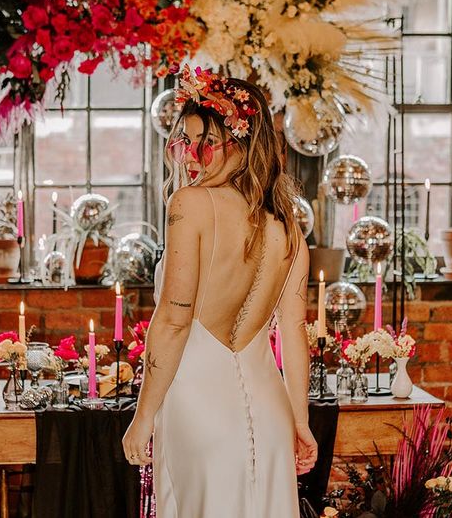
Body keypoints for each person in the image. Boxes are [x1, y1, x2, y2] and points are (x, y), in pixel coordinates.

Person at [122, 66, 317, 517]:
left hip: (197, 404)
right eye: (184, 141)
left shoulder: (189, 205)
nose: (191, 155)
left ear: (241, 143)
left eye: (205, 143)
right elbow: (293, 332)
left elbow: (173, 321)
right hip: (269, 411)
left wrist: (143, 416)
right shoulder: (287, 228)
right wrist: (299, 421)